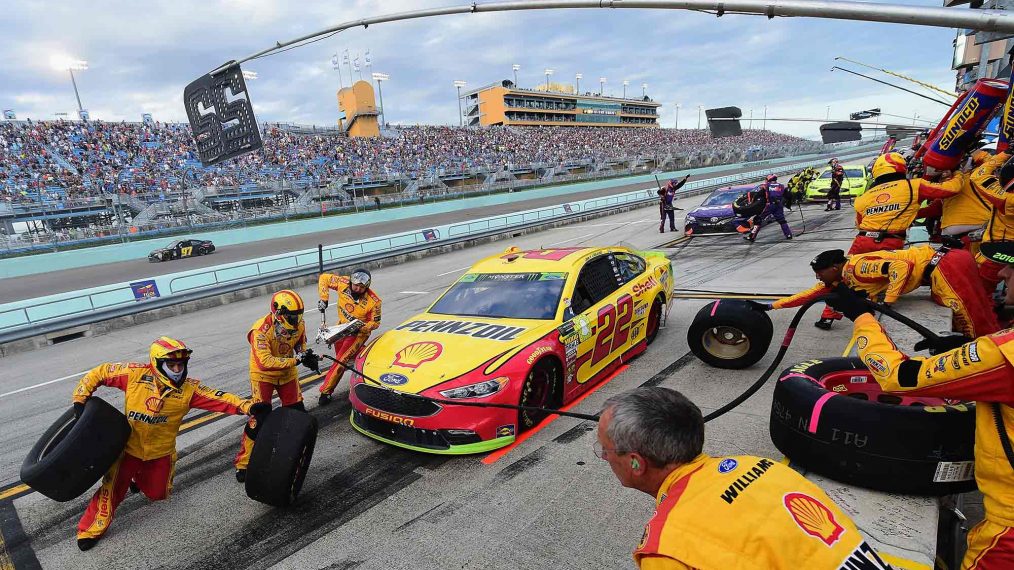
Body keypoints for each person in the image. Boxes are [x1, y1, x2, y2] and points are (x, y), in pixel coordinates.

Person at [825, 257, 1014, 569]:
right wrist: (970, 348)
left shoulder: (1006, 355)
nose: (1004, 272)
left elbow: (899, 376)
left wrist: (863, 317)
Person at [597, 387, 887, 570]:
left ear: (636, 462)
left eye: (605, 450)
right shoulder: (762, 466)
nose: (605, 457)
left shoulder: (668, 549)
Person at [72, 337, 267, 551]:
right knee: (112, 490)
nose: (177, 369)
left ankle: (137, 477)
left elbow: (219, 398)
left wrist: (248, 406)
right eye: (171, 365)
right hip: (126, 449)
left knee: (158, 494)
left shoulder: (189, 389)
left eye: (180, 365)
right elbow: (99, 372)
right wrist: (80, 400)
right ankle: (89, 530)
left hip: (161, 452)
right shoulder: (134, 374)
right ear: (157, 363)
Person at [811, 152, 964, 329]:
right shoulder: (913, 186)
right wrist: (958, 172)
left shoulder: (865, 196)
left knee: (842, 280)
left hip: (863, 241)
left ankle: (827, 317)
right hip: (890, 241)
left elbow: (860, 223)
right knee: (884, 278)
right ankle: (877, 313)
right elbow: (951, 189)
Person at [760, 247, 1000, 337]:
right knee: (974, 315)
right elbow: (810, 294)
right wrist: (772, 306)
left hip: (946, 265)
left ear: (834, 268)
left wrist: (889, 301)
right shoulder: (842, 275)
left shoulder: (857, 266)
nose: (818, 278)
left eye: (820, 273)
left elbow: (900, 266)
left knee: (971, 322)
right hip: (941, 267)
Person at [234, 290, 319, 482]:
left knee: (298, 413)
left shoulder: (300, 324)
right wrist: (296, 360)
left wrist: (306, 356)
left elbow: (300, 346)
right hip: (263, 375)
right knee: (260, 416)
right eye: (291, 316)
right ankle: (243, 463)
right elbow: (265, 361)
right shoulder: (260, 330)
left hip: (287, 372)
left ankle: (290, 453)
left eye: (298, 315)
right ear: (278, 312)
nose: (296, 320)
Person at [317, 268, 382, 405]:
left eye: (361, 287)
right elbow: (324, 278)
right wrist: (324, 298)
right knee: (344, 357)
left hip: (358, 334)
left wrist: (361, 326)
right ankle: (371, 359)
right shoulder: (343, 282)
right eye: (356, 285)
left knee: (341, 360)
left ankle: (326, 391)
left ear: (367, 287)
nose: (357, 289)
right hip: (341, 328)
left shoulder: (374, 301)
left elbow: (375, 323)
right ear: (351, 282)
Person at [743, 174, 792, 242]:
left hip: (769, 206)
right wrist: (788, 205)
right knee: (782, 221)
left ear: (768, 179)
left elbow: (757, 195)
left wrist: (751, 204)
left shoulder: (766, 186)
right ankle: (788, 235)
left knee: (758, 219)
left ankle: (752, 237)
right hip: (779, 206)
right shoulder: (782, 186)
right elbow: (788, 196)